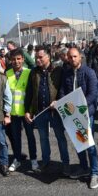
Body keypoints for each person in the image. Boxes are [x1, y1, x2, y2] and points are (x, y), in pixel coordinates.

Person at [24, 46, 70, 175]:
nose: (37, 59)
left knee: (60, 138)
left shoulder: (58, 70)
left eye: (40, 57)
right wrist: (28, 110)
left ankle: (65, 163)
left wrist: (59, 101)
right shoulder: (33, 72)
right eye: (36, 57)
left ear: (48, 57)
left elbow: (63, 88)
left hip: (55, 112)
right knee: (43, 138)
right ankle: (45, 160)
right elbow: (29, 92)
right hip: (40, 112)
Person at [58, 48, 98, 189]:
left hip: (87, 113)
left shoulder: (89, 72)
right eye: (70, 57)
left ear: (80, 57)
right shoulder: (67, 73)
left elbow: (93, 94)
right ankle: (83, 167)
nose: (73, 59)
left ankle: (94, 173)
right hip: (72, 114)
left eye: (75, 56)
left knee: (90, 145)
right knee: (79, 142)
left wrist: (79, 106)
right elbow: (63, 91)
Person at [6, 48, 39, 172]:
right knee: (16, 138)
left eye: (18, 59)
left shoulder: (29, 72)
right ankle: (17, 159)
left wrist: (30, 111)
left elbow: (32, 93)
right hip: (13, 113)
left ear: (23, 59)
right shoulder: (7, 73)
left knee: (30, 137)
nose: (16, 61)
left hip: (27, 112)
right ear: (10, 60)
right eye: (13, 59)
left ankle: (34, 160)